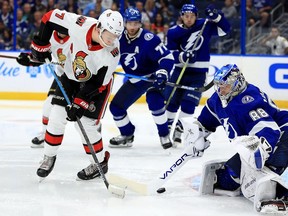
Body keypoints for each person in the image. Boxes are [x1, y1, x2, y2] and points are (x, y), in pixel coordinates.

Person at [17, 8, 124, 180]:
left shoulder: (112, 52)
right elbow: (49, 17)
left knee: (85, 126)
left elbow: (98, 83)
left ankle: (99, 163)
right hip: (70, 75)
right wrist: (40, 45)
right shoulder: (79, 25)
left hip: (96, 86)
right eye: (109, 35)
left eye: (116, 36)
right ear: (99, 27)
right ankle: (48, 156)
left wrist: (80, 103)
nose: (112, 40)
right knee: (56, 117)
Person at [181, 64, 288, 213]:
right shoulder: (217, 100)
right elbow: (205, 121)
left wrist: (262, 148)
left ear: (237, 83)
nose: (221, 90)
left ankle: (282, 195)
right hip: (263, 137)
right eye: (218, 86)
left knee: (269, 168)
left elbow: (268, 129)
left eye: (225, 86)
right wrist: (197, 135)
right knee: (228, 178)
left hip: (282, 135)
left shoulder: (248, 100)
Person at [164, 4, 231, 147]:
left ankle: (179, 128)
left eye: (192, 16)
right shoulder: (173, 32)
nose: (189, 19)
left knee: (189, 104)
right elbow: (169, 53)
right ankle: (168, 127)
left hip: (198, 74)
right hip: (179, 72)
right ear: (181, 16)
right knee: (172, 102)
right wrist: (183, 56)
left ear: (196, 16)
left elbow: (225, 29)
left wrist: (216, 16)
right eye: (186, 16)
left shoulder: (205, 25)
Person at [108, 7, 175, 149]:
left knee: (155, 103)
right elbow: (107, 55)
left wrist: (162, 72)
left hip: (152, 77)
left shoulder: (149, 40)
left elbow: (167, 57)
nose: (133, 27)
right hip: (136, 79)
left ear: (140, 23)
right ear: (125, 23)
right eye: (130, 23)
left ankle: (164, 134)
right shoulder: (117, 39)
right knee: (116, 107)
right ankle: (127, 135)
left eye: (136, 23)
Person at [16, 31, 70, 148]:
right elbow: (42, 57)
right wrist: (28, 59)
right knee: (47, 106)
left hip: (77, 78)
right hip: (61, 76)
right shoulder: (50, 37)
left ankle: (93, 125)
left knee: (81, 114)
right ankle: (45, 134)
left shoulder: (76, 36)